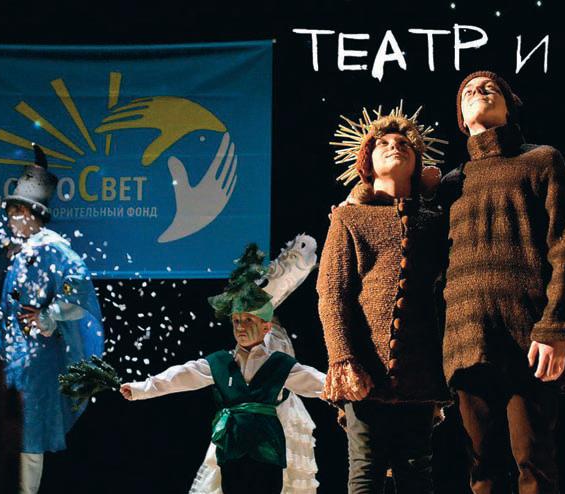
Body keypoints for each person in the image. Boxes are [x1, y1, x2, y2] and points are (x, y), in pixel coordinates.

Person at [437, 71, 565, 494]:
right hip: (466, 340)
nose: (478, 91)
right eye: (468, 91)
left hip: (530, 337)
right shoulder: (451, 184)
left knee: (534, 464)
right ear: (461, 119)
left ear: (509, 107)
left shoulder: (541, 160)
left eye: (489, 88)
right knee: (481, 474)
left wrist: (556, 329)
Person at [121, 243, 325, 494]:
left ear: (266, 327)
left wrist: (349, 389)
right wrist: (141, 389)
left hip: (268, 452)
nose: (240, 327)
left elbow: (316, 382)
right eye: (236, 321)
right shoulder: (221, 363)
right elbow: (182, 376)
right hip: (233, 449)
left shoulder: (279, 363)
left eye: (248, 320)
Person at [318, 104, 449, 493]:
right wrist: (343, 358)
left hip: (420, 369)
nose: (395, 146)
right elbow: (333, 292)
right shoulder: (349, 219)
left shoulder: (434, 219)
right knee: (366, 469)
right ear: (367, 163)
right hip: (366, 368)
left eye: (405, 144)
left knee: (417, 471)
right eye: (384, 144)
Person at [0, 144, 104, 494]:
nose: (9, 220)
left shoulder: (52, 247)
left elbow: (79, 293)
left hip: (36, 365)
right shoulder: (9, 250)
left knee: (30, 436)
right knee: (4, 434)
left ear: (28, 213)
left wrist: (47, 316)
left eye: (13, 213)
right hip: (7, 360)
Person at [189, 235, 322, 494]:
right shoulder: (254, 333)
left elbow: (305, 378)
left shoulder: (270, 333)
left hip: (275, 415)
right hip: (247, 421)